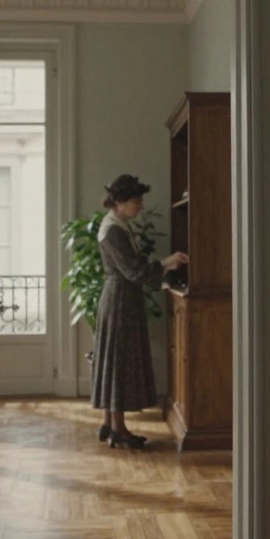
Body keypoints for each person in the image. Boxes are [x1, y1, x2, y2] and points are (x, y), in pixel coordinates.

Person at [91, 174, 188, 449]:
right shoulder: (113, 230)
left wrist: (163, 272)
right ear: (120, 203)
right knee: (119, 362)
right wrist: (166, 263)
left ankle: (110, 424)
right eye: (137, 200)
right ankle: (118, 429)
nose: (141, 206)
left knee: (115, 361)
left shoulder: (117, 226)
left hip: (121, 297)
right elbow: (134, 271)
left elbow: (133, 269)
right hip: (120, 300)